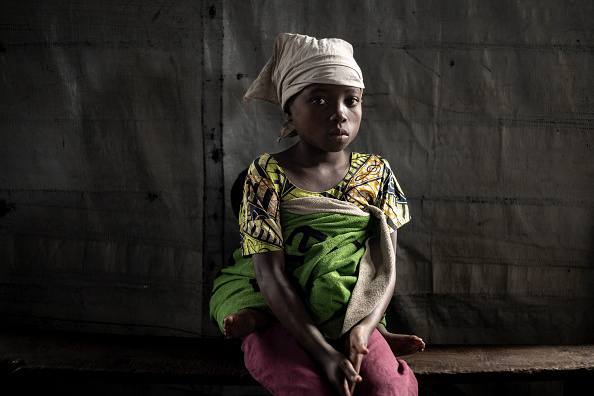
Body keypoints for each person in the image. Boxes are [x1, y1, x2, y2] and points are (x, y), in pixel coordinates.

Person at [210, 33, 424, 395]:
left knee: (387, 388)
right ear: (289, 108)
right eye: (319, 100)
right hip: (284, 317)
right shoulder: (265, 176)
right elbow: (270, 274)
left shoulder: (377, 172)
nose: (339, 113)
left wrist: (363, 329)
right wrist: (324, 352)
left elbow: (385, 267)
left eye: (351, 101)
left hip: (352, 312)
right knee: (304, 386)